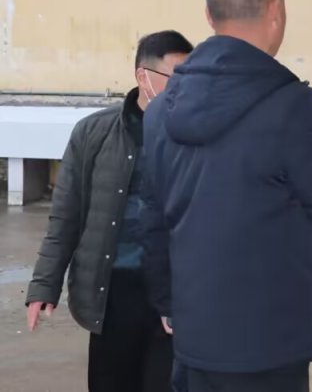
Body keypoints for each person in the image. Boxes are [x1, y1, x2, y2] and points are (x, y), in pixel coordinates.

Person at [141, 0, 312, 392]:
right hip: (272, 340)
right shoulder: (291, 107)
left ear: (209, 15)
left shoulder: (161, 111)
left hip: (195, 333)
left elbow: (153, 219)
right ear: (275, 9)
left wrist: (169, 300)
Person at [25, 30, 194, 392]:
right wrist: (44, 284)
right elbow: (66, 215)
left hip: (173, 292)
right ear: (143, 76)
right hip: (112, 292)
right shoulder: (94, 133)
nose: (185, 87)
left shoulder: (194, 136)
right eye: (175, 77)